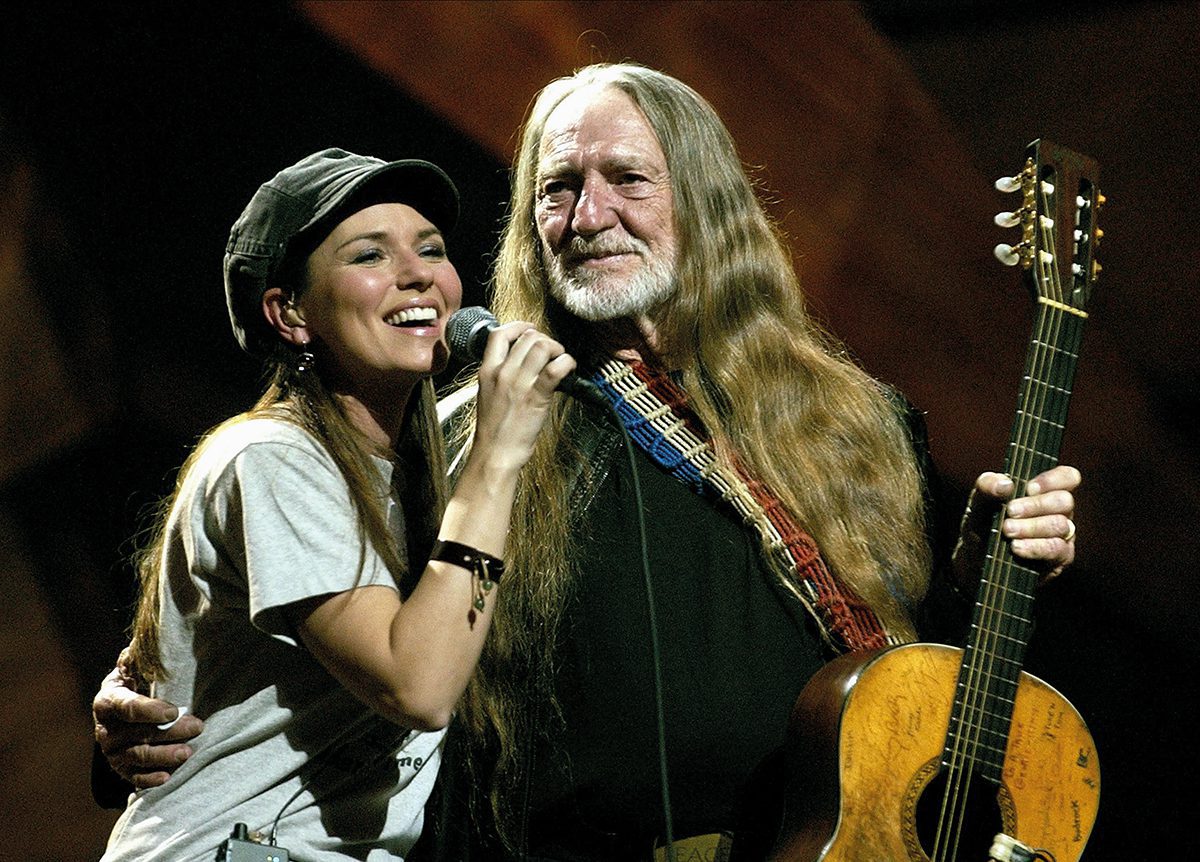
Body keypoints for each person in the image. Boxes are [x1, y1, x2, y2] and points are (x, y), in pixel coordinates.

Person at [94, 67, 1080, 861]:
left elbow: (916, 690)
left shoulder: (859, 420)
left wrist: (976, 578)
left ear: (708, 205)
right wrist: (141, 708)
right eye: (557, 188)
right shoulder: (457, 438)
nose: (589, 214)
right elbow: (312, 628)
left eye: (628, 180)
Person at [96, 148, 576, 861]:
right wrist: (498, 456)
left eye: (430, 249)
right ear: (290, 312)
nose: (417, 274)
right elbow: (417, 686)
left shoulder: (421, 470)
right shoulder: (270, 459)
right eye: (370, 255)